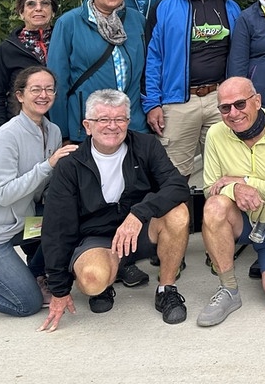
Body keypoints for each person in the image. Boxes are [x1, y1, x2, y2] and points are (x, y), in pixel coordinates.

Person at [38, 89, 191, 331]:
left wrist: (140, 213)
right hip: (97, 237)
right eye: (103, 120)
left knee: (178, 213)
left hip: (138, 230)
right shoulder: (70, 166)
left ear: (128, 123)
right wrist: (59, 289)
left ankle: (166, 289)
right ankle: (109, 276)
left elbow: (177, 186)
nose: (112, 126)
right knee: (91, 280)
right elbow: (57, 228)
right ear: (88, 126)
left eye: (120, 119)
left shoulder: (146, 145)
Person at [0, 67, 77, 316]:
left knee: (70, 218)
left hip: (19, 224)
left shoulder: (52, 131)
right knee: (26, 304)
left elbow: (45, 189)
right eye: (36, 89)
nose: (44, 94)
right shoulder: (6, 137)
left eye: (49, 89)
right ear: (20, 96)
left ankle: (33, 276)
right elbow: (2, 194)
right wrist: (48, 165)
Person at [196, 77, 265, 327]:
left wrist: (245, 181)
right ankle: (228, 289)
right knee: (214, 207)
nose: (233, 113)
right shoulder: (215, 133)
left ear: (257, 101)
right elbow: (209, 189)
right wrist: (236, 189)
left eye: (240, 104)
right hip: (243, 221)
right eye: (225, 107)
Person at [144, 0, 242, 176]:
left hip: (220, 101)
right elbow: (152, 58)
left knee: (226, 172)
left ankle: (216, 215)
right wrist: (152, 103)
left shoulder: (230, 7)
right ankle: (180, 215)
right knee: (174, 176)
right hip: (178, 103)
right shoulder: (164, 9)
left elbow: (240, 55)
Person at [48, 0, 148, 144]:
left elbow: (148, 74)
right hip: (87, 126)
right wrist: (62, 133)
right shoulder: (69, 23)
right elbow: (57, 82)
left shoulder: (137, 21)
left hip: (132, 124)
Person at [0, 0, 59, 132]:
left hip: (61, 127)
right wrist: (2, 130)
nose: (38, 8)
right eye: (31, 4)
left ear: (53, 12)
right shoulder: (7, 50)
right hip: (21, 128)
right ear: (21, 12)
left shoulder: (65, 42)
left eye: (45, 3)